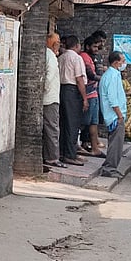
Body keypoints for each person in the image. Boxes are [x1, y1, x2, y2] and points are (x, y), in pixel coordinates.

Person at [57, 35, 88, 166]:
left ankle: (63, 152)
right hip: (72, 90)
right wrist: (85, 98)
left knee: (64, 123)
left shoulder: (61, 57)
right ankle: (70, 154)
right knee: (72, 124)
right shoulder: (76, 58)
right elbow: (79, 78)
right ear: (76, 45)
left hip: (61, 89)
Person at [99, 50, 128, 178]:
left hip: (113, 115)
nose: (124, 63)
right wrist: (119, 115)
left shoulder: (111, 74)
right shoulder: (113, 76)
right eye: (123, 61)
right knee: (116, 144)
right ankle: (109, 168)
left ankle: (109, 166)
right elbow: (112, 98)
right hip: (115, 116)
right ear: (116, 63)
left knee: (115, 143)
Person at [78, 35, 105, 157]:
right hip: (88, 93)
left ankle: (95, 147)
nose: (96, 49)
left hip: (93, 93)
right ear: (87, 46)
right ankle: (77, 146)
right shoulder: (84, 56)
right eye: (94, 47)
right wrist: (105, 78)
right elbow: (90, 75)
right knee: (83, 122)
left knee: (94, 122)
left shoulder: (91, 57)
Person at [42, 33, 65, 170]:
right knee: (52, 128)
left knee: (51, 127)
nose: (59, 44)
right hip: (50, 98)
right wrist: (45, 89)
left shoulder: (50, 55)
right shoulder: (50, 56)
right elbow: (49, 76)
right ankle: (52, 157)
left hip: (50, 97)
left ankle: (50, 155)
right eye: (57, 41)